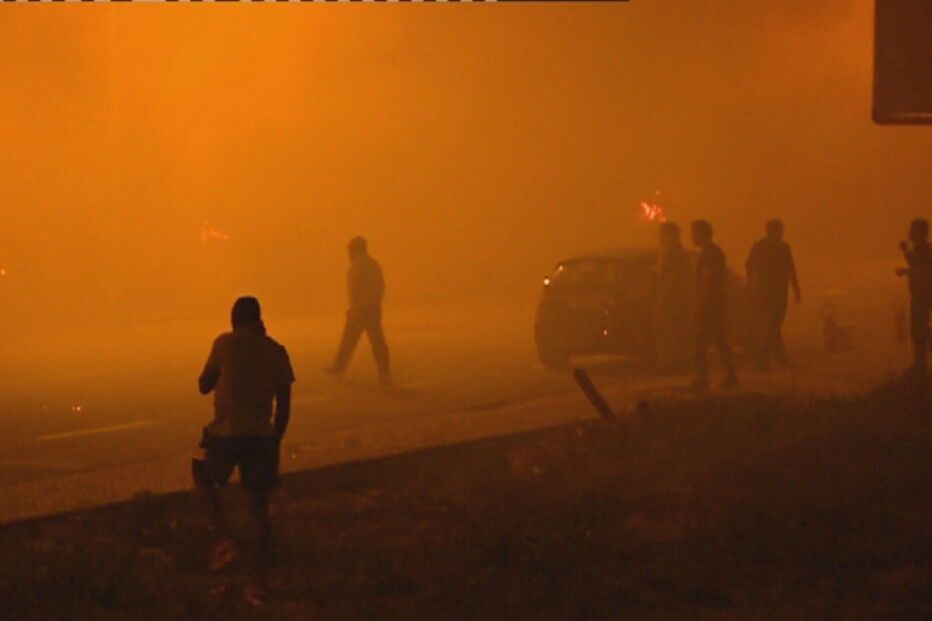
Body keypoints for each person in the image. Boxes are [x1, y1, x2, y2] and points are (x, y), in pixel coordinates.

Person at [193, 296, 295, 594]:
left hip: (225, 435)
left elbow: (203, 385)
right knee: (258, 505)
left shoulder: (224, 344)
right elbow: (284, 406)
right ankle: (260, 571)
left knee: (202, 474)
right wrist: (275, 440)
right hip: (262, 437)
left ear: (234, 320)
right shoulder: (276, 350)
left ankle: (222, 536)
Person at [324, 236, 392, 386]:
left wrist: (354, 305)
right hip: (373, 307)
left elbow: (355, 288)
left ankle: (339, 367)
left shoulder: (357, 265)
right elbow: (381, 286)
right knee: (377, 342)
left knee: (349, 339)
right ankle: (384, 374)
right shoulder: (373, 264)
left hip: (360, 308)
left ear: (355, 249)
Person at [745, 219, 801, 369]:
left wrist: (750, 286)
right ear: (779, 231)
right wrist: (796, 290)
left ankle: (775, 359)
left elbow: (749, 268)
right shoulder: (782, 247)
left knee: (772, 326)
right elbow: (791, 269)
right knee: (773, 326)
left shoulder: (759, 246)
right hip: (776, 293)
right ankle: (764, 360)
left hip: (764, 293)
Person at [690, 220, 737, 390]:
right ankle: (729, 376)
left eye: (694, 233)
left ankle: (702, 379)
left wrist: (701, 305)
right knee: (718, 341)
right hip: (713, 304)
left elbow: (708, 280)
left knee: (701, 343)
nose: (692, 237)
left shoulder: (711, 253)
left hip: (711, 305)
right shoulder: (710, 252)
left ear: (702, 233)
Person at [654, 221, 692, 372]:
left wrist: (664, 296)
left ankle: (671, 364)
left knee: (671, 332)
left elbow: (673, 278)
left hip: (673, 300)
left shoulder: (675, 254)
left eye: (663, 234)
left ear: (672, 236)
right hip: (671, 299)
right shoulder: (668, 253)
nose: (660, 238)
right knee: (668, 333)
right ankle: (671, 363)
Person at [896, 218, 932, 373]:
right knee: (919, 328)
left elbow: (923, 270)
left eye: (912, 230)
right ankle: (920, 361)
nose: (909, 232)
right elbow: (914, 260)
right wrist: (905, 251)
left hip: (923, 294)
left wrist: (905, 271)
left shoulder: (925, 251)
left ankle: (920, 363)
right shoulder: (921, 249)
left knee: (918, 328)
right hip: (920, 293)